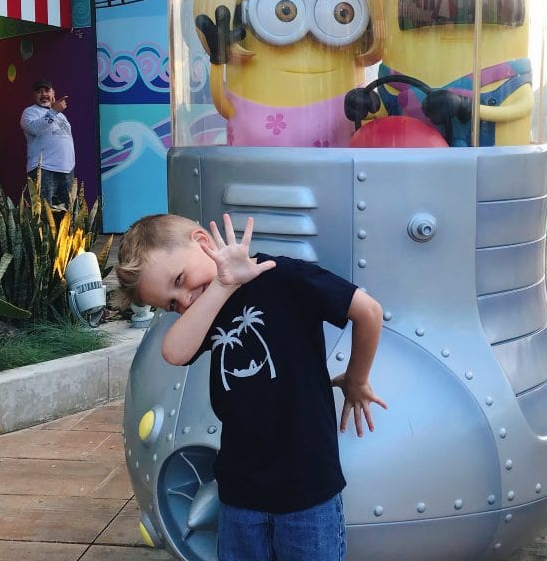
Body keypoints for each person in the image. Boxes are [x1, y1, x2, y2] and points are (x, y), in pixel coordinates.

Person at [114, 213, 386, 561]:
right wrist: (222, 285)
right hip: (240, 496)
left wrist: (357, 379)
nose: (185, 301)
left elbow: (368, 311)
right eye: (171, 304)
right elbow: (174, 352)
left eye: (180, 279)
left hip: (308, 491)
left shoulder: (283, 275)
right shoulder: (207, 309)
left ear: (202, 242)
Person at [20, 79, 75, 208]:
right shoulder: (29, 112)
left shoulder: (61, 116)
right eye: (39, 92)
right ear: (34, 96)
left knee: (66, 215)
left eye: (47, 90)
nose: (43, 94)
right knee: (44, 215)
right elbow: (34, 129)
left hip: (66, 169)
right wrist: (53, 111)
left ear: (53, 93)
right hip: (44, 169)